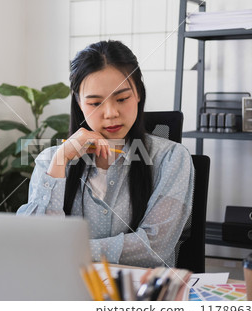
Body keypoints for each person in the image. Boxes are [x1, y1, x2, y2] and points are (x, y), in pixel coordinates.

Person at [17, 40, 194, 268]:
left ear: (138, 94)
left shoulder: (172, 158)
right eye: (95, 103)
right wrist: (60, 161)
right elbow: (35, 242)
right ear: (79, 104)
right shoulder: (52, 161)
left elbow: (153, 249)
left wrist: (67, 249)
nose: (111, 113)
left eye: (122, 99)